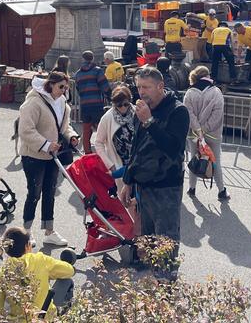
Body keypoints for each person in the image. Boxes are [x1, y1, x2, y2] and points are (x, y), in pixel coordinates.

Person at [120, 66, 189, 264]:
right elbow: (136, 148)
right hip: (144, 185)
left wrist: (149, 121)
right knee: (147, 240)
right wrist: (128, 181)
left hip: (166, 186)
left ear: (160, 86)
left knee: (166, 240)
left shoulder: (178, 111)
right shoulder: (141, 110)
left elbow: (173, 149)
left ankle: (166, 284)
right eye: (139, 87)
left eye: (146, 87)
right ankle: (151, 282)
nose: (141, 92)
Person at [18, 71, 80, 247]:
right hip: (34, 155)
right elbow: (25, 130)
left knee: (50, 192)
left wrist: (72, 136)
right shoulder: (34, 102)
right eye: (61, 87)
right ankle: (26, 232)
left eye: (66, 87)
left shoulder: (62, 102)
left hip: (53, 154)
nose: (64, 90)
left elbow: (64, 127)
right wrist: (45, 144)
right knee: (34, 193)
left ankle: (49, 231)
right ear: (50, 84)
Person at [0, 226, 75, 321]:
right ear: (27, 246)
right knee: (67, 280)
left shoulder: (4, 270)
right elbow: (69, 271)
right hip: (42, 317)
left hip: (17, 320)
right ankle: (61, 315)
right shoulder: (40, 260)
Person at [184, 66, 228, 201]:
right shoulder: (216, 92)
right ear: (208, 76)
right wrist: (205, 129)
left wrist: (198, 130)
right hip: (213, 134)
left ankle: (192, 188)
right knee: (216, 162)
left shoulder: (190, 93)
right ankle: (221, 191)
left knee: (194, 158)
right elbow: (217, 115)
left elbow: (189, 114)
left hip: (194, 134)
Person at [93, 85, 136, 189]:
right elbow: (98, 143)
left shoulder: (137, 112)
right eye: (119, 105)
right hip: (119, 164)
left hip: (137, 164)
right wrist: (110, 164)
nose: (123, 107)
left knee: (138, 201)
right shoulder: (107, 118)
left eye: (126, 104)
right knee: (124, 201)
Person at [74, 51, 110, 154]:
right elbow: (105, 87)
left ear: (83, 59)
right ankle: (104, 151)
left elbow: (78, 90)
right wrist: (110, 97)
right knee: (100, 128)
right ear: (92, 58)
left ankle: (87, 152)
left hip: (84, 105)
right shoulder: (97, 71)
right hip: (96, 104)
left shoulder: (78, 74)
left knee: (86, 130)